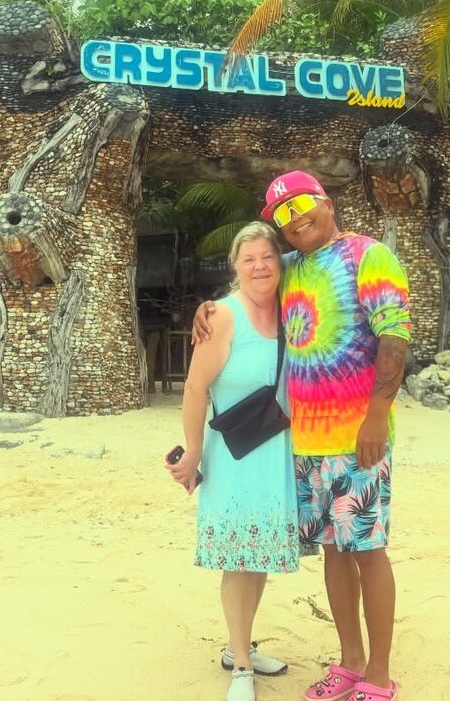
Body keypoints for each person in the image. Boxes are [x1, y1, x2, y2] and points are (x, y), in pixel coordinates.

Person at [194, 171, 411, 701]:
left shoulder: (368, 255)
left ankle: (379, 675)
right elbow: (254, 275)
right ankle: (350, 662)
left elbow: (395, 337)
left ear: (326, 203)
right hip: (305, 443)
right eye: (282, 216)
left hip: (357, 439)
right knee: (335, 554)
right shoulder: (291, 266)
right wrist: (210, 308)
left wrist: (377, 417)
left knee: (369, 551)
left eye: (300, 206)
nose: (294, 221)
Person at [167, 221, 299, 701]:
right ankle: (241, 665)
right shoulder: (221, 316)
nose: (260, 267)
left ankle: (238, 645)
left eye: (267, 256)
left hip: (276, 450)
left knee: (259, 555)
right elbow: (194, 388)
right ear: (235, 267)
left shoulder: (291, 310)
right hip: (234, 453)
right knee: (239, 558)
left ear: (280, 262)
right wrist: (193, 450)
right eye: (249, 259)